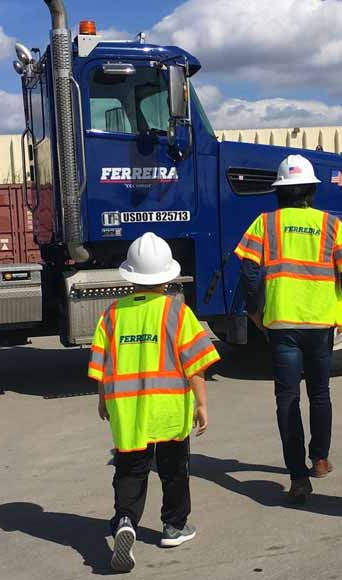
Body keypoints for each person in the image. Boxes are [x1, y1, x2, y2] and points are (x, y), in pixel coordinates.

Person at [235, 154, 342, 503]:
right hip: (320, 322)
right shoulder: (330, 224)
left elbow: (247, 272)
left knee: (287, 398)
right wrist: (336, 298)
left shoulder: (265, 224)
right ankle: (319, 460)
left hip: (282, 322)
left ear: (280, 191)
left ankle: (298, 478)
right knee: (320, 392)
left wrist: (255, 310)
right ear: (310, 190)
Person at [88, 233, 220, 572]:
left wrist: (103, 400)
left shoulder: (113, 315)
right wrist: (202, 404)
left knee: (130, 468)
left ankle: (125, 521)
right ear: (168, 276)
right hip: (169, 408)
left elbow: (102, 365)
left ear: (130, 275)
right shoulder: (177, 312)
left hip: (127, 410)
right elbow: (195, 366)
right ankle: (175, 526)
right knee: (174, 468)